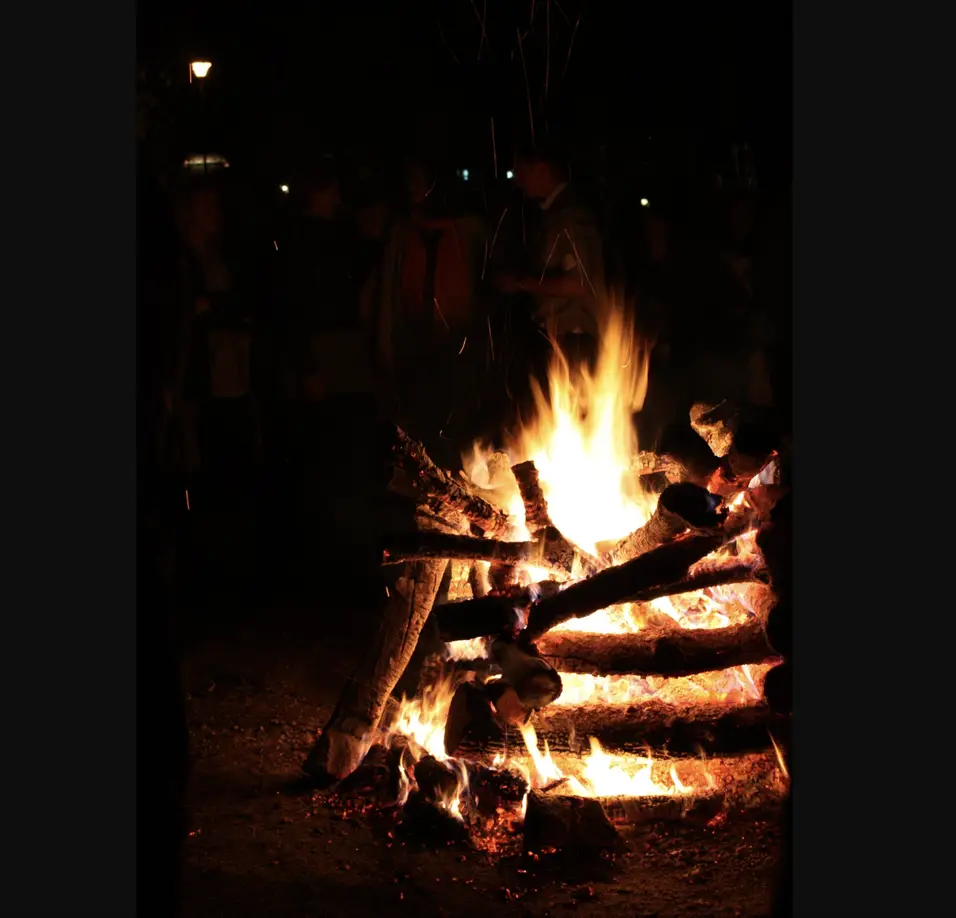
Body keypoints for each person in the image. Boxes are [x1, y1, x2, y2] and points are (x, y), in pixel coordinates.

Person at [365, 158, 486, 468]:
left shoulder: (466, 229)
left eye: (420, 181)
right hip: (414, 334)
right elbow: (390, 287)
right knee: (418, 414)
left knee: (453, 414)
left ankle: (455, 479)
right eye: (411, 182)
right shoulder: (403, 230)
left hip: (456, 337)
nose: (414, 188)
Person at [495, 142, 607, 373]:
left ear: (541, 169)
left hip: (574, 342)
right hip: (560, 338)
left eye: (521, 170)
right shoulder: (555, 214)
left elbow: (579, 283)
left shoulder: (570, 216)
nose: (517, 179)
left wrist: (519, 283)